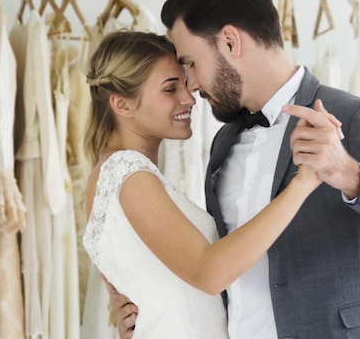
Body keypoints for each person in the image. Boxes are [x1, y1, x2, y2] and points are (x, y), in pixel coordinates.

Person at [109, 0, 360, 338]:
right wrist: (148, 309)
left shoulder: (352, 117)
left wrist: (350, 175)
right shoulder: (223, 142)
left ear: (231, 42)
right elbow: (223, 267)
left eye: (190, 62)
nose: (193, 85)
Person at [82, 31, 323, 339]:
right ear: (122, 105)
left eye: (185, 82)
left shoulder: (117, 172)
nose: (188, 97)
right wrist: (304, 182)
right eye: (170, 88)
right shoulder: (127, 172)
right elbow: (209, 274)